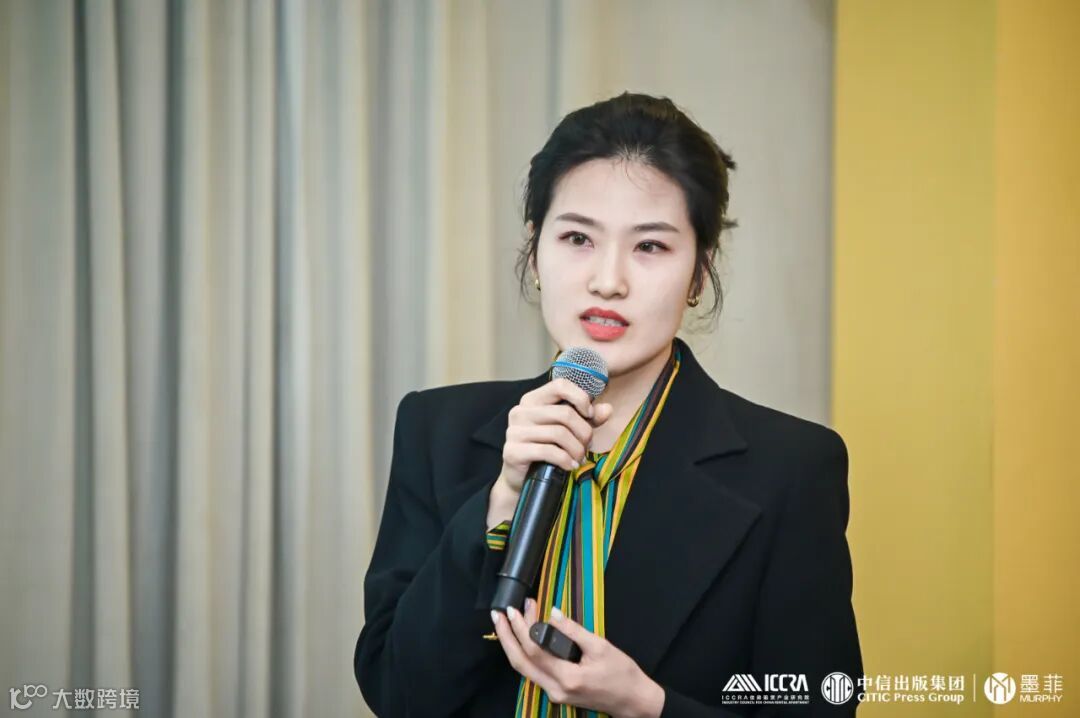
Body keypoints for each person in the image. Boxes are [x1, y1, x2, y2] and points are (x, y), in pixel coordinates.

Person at [354, 92, 862, 717]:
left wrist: (646, 704)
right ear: (535, 252)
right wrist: (500, 503)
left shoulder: (790, 468)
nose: (607, 281)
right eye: (577, 238)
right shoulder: (437, 432)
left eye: (650, 247)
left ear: (698, 272)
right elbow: (398, 694)